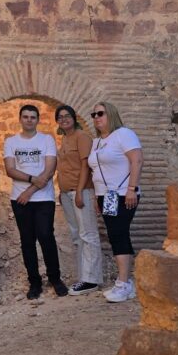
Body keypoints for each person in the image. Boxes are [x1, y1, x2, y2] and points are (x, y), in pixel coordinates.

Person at [3, 104, 67, 300]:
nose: (29, 120)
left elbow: (49, 169)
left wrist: (30, 190)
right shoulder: (11, 142)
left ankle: (55, 279)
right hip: (19, 200)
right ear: (20, 119)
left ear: (37, 120)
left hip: (43, 198)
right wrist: (32, 180)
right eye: (26, 117)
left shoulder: (46, 140)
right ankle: (34, 282)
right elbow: (10, 170)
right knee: (27, 241)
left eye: (33, 117)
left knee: (46, 236)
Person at [87, 101, 143, 303]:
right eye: (93, 114)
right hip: (106, 196)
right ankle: (125, 283)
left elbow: (136, 160)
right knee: (115, 234)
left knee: (119, 233)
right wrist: (96, 197)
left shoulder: (124, 134)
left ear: (110, 114)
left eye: (100, 113)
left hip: (123, 193)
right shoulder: (97, 142)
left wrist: (132, 189)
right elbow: (96, 171)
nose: (96, 117)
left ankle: (124, 283)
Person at [55, 105, 103, 295]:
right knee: (77, 235)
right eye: (60, 117)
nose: (64, 119)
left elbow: (86, 165)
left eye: (67, 116)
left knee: (88, 234)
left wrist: (80, 191)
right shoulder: (65, 139)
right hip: (67, 193)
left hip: (80, 191)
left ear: (74, 118)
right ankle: (85, 277)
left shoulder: (82, 137)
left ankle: (92, 280)